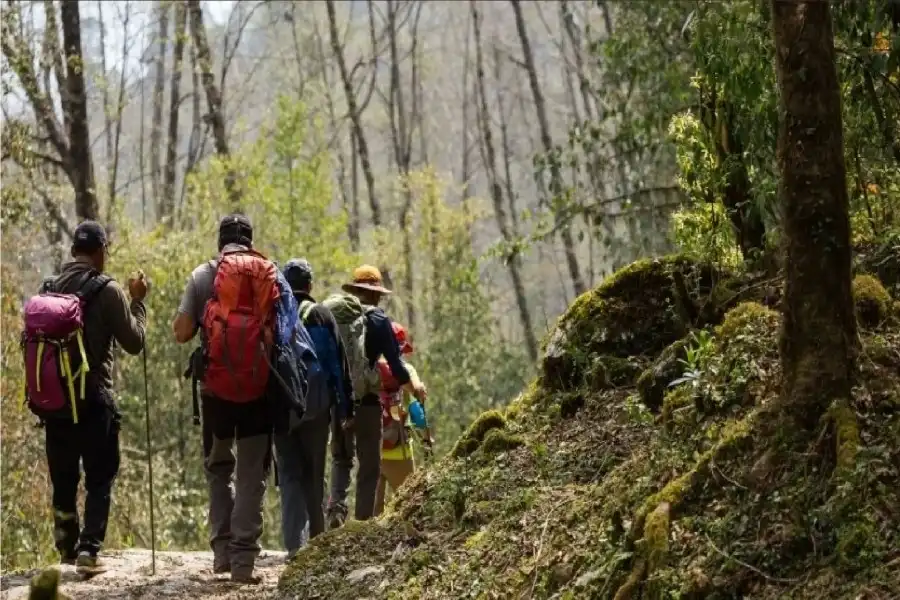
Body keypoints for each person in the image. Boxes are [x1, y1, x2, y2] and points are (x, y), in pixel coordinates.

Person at [30, 220, 148, 575]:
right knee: (100, 476)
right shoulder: (108, 290)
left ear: (72, 252)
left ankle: (67, 548)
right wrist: (139, 302)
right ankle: (89, 550)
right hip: (95, 399)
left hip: (55, 402)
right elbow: (134, 342)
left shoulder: (48, 289)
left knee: (64, 478)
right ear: (99, 252)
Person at [172, 214, 279, 584]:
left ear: (221, 242)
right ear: (250, 241)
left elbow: (183, 333)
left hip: (215, 392)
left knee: (219, 467)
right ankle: (243, 563)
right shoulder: (269, 273)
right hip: (258, 391)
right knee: (251, 473)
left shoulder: (203, 275)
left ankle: (221, 551)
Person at [323, 265, 427, 526]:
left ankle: (336, 507)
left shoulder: (336, 317)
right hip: (367, 401)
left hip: (337, 400)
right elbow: (395, 363)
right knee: (369, 466)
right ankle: (362, 524)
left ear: (355, 290)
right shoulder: (379, 321)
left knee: (341, 459)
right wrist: (413, 388)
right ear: (377, 294)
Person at [276, 258, 353, 559]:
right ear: (309, 286)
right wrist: (345, 409)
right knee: (314, 473)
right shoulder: (321, 314)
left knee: (289, 473)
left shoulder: (276, 314)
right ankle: (317, 544)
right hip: (318, 408)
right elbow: (338, 366)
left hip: (283, 407)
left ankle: (295, 544)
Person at [374, 322, 432, 516]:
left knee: (373, 514)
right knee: (408, 508)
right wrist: (425, 437)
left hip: (371, 450)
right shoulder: (406, 371)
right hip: (399, 451)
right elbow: (416, 409)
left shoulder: (369, 369)